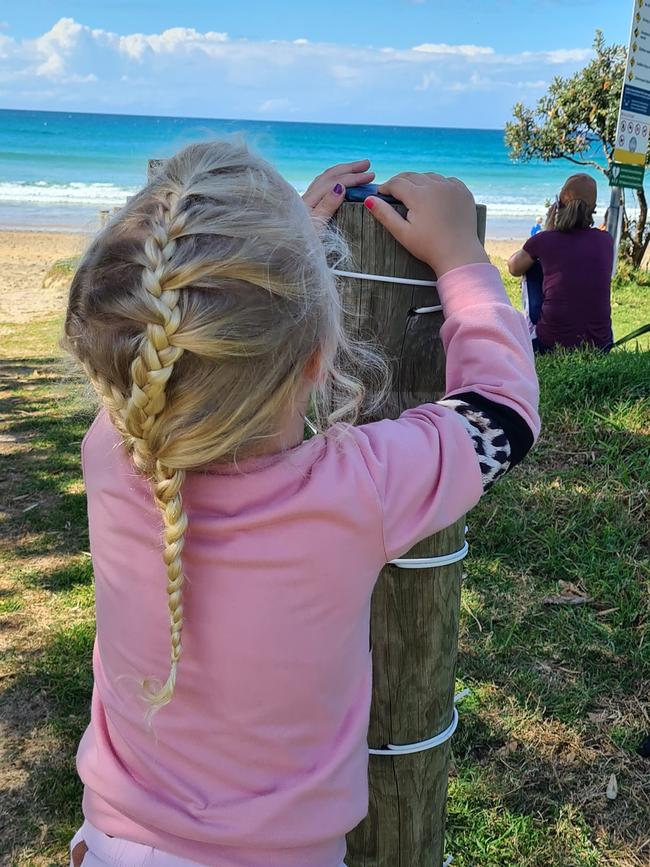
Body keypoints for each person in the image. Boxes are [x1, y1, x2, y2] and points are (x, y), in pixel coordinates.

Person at [63, 141, 539, 867]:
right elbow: (502, 412)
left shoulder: (110, 456)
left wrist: (291, 247)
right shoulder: (357, 491)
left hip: (111, 846)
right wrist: (462, 260)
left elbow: (187, 345)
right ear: (319, 355)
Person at [508, 173, 614, 354]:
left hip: (551, 343)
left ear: (558, 205)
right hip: (601, 345)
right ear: (593, 209)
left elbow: (513, 268)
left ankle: (531, 330)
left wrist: (548, 230)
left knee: (532, 268)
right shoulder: (605, 240)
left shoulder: (544, 240)